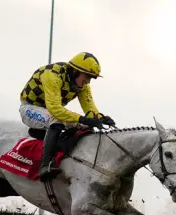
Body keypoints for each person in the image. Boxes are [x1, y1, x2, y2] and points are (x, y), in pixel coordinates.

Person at [18, 52, 116, 181]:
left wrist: (99, 118)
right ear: (75, 71)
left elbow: (89, 108)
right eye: (86, 76)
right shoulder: (52, 75)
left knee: (84, 125)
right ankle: (45, 166)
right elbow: (55, 109)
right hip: (29, 108)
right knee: (56, 119)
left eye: (91, 78)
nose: (87, 81)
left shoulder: (83, 86)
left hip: (51, 111)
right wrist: (83, 119)